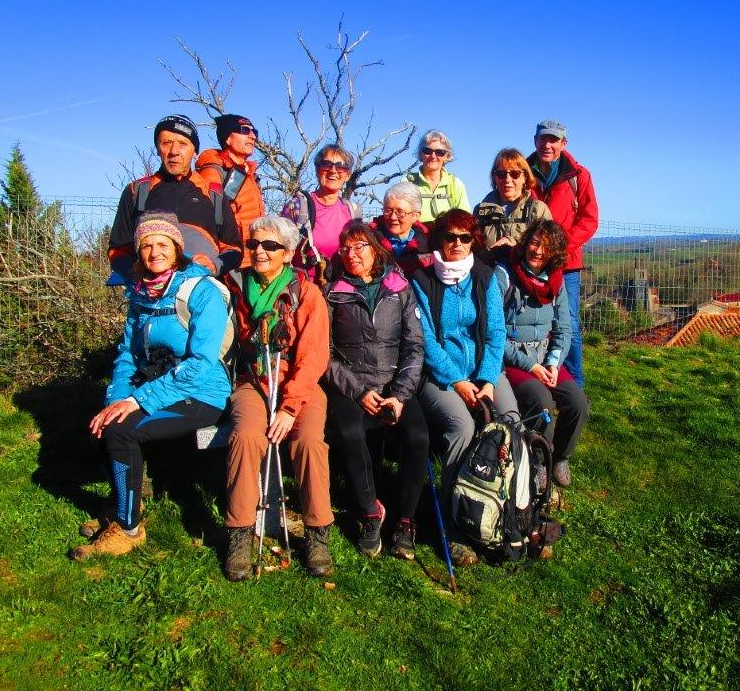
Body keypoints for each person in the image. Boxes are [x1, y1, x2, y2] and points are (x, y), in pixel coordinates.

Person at [71, 212, 231, 560]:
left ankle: (128, 529)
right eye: (146, 245)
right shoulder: (141, 294)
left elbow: (201, 363)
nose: (155, 252)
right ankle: (122, 506)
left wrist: (137, 401)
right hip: (156, 387)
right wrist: (117, 399)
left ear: (177, 249)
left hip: (201, 393)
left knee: (122, 431)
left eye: (163, 244)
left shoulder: (201, 292)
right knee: (110, 421)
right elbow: (127, 354)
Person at [222, 215, 334, 580]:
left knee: (309, 442)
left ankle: (317, 532)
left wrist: (289, 407)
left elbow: (313, 358)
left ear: (287, 253)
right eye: (254, 244)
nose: (259, 251)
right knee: (246, 437)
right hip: (254, 380)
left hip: (299, 385)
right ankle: (240, 532)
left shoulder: (307, 294)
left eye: (270, 246)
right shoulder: (234, 287)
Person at [410, 209, 521, 567]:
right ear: (438, 240)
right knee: (462, 427)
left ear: (474, 241)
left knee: (510, 422)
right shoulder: (422, 281)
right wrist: (457, 381)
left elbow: (496, 333)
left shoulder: (484, 277)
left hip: (484, 372)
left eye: (464, 237)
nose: (457, 244)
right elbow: (427, 341)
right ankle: (454, 522)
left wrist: (487, 379)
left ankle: (510, 511)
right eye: (449, 237)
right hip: (440, 377)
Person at [323, 221, 428, 560]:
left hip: (395, 385)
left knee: (418, 437)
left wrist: (400, 394)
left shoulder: (400, 288)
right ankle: (370, 511)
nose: (351, 254)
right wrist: (358, 392)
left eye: (360, 247)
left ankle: (407, 520)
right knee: (350, 431)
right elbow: (324, 353)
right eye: (346, 248)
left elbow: (414, 346)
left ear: (376, 250)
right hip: (352, 386)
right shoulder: (332, 292)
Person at [495, 220, 590, 489]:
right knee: (542, 402)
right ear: (526, 242)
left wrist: (553, 363)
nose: (537, 251)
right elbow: (495, 332)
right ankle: (538, 460)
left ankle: (560, 456)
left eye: (546, 247)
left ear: (555, 253)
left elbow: (563, 328)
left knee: (578, 403)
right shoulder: (504, 275)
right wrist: (531, 366)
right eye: (535, 243)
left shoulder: (556, 281)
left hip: (546, 357)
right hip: (513, 359)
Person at [108, 115, 242, 282]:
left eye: (183, 144)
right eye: (166, 143)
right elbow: (117, 250)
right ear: (158, 148)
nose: (174, 151)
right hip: (149, 294)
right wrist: (139, 279)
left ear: (195, 151)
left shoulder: (214, 193)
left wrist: (215, 265)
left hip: (202, 290)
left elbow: (234, 249)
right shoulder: (137, 191)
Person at [526, 120, 599, 388]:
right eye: (543, 139)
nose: (547, 145)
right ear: (535, 141)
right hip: (531, 260)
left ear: (563, 144)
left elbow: (589, 219)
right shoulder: (524, 172)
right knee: (532, 320)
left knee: (568, 324)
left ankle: (574, 384)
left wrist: (559, 247)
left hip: (565, 263)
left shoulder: (579, 175)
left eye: (553, 140)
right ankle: (538, 376)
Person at [280, 143, 361, 285]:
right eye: (326, 164)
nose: (333, 171)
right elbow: (280, 252)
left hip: (343, 289)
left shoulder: (353, 211)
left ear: (347, 175)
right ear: (317, 170)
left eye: (341, 166)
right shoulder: (297, 208)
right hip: (304, 288)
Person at [196, 114, 266, 267]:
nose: (253, 136)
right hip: (231, 261)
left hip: (253, 257)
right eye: (244, 130)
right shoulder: (214, 172)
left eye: (254, 132)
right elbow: (209, 220)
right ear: (227, 138)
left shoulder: (250, 173)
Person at [474, 148, 552, 263]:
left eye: (515, 174)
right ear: (495, 178)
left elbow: (547, 248)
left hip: (524, 272)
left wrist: (514, 244)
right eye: (501, 174)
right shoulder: (481, 211)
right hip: (488, 271)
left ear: (525, 177)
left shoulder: (538, 210)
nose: (507, 179)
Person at [368, 181, 432, 277]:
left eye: (400, 212)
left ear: (415, 216)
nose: (393, 217)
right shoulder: (370, 239)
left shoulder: (429, 242)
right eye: (388, 211)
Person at [405, 130, 470, 223]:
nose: (433, 156)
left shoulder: (455, 184)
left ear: (447, 156)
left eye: (440, 152)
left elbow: (465, 222)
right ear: (420, 153)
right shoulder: (407, 182)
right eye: (427, 151)